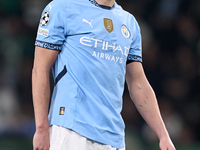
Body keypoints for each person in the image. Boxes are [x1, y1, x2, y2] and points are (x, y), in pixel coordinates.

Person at [32, 0, 176, 150]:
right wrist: (41, 128)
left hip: (113, 137)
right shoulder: (62, 8)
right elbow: (40, 69)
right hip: (70, 129)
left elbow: (138, 83)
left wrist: (163, 135)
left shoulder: (129, 22)